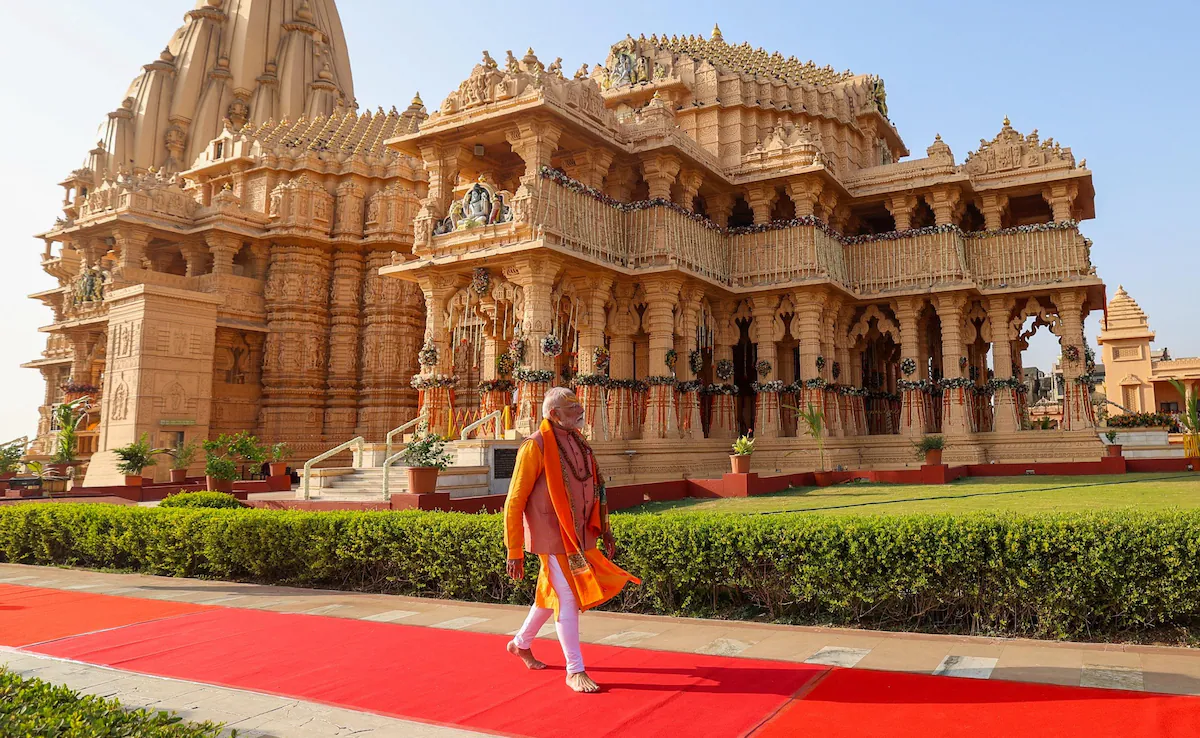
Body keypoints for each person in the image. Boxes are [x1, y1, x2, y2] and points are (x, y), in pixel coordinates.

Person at [503, 387, 639, 693]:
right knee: (567, 598)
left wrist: (604, 529)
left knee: (548, 596)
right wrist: (514, 550)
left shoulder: (579, 442)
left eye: (578, 405)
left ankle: (520, 643)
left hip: (579, 536)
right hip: (552, 536)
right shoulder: (535, 446)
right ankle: (574, 669)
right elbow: (514, 500)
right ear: (554, 415)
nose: (580, 411)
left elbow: (593, 489)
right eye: (572, 407)